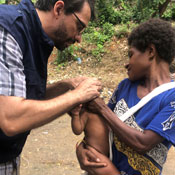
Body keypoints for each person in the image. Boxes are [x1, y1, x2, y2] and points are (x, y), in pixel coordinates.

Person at [0, 0, 102, 174]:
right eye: (79, 26)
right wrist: (77, 95)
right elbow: (11, 118)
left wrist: (65, 86)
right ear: (59, 8)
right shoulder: (8, 30)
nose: (79, 38)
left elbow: (26, 97)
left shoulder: (37, 38)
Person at [76, 18, 175, 175]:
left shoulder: (171, 98)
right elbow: (102, 127)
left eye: (131, 55)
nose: (126, 64)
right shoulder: (125, 86)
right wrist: (83, 150)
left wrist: (101, 107)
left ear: (150, 52)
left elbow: (143, 143)